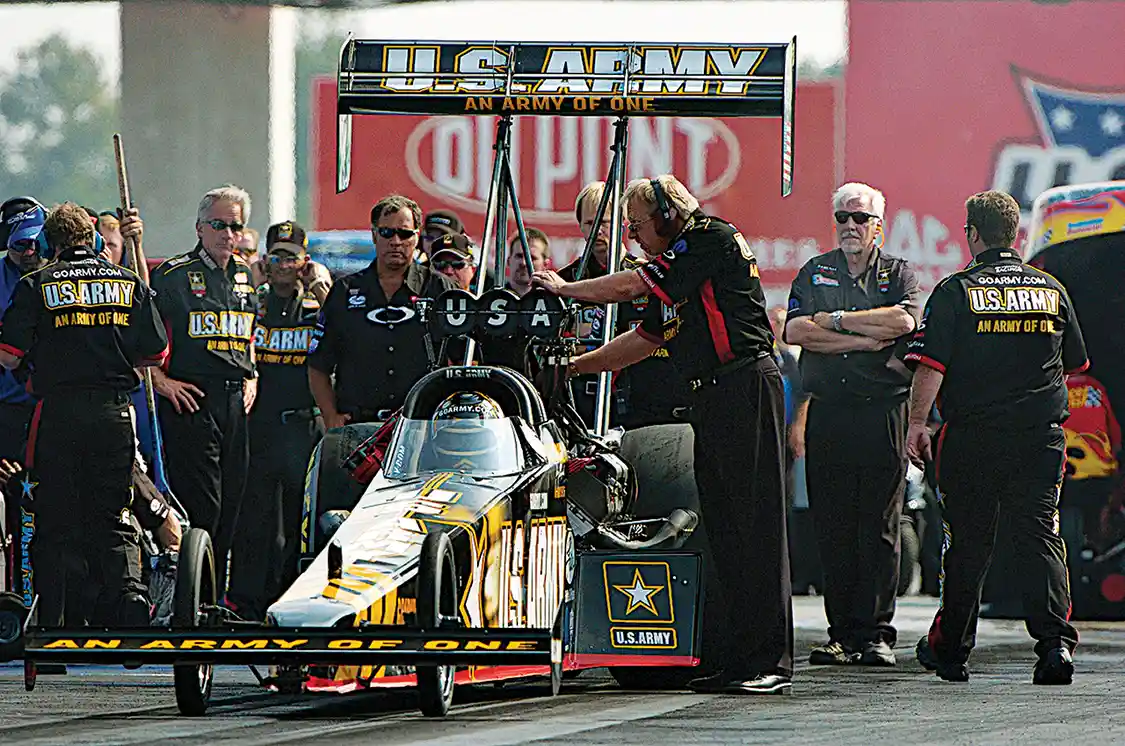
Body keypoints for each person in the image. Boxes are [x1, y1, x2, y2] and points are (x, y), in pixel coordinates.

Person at [532, 174, 793, 695]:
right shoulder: (674, 271)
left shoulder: (706, 240)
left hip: (744, 385)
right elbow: (646, 338)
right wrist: (575, 368)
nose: (630, 236)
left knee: (754, 525)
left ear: (669, 217)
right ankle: (733, 656)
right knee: (721, 528)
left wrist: (566, 290)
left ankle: (771, 661)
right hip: (711, 397)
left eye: (636, 225)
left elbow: (630, 287)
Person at [905, 190, 1087, 685]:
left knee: (967, 544)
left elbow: (930, 367)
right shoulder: (1051, 289)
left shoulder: (954, 290)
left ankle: (951, 652)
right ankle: (1054, 649)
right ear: (1017, 234)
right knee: (1041, 538)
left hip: (974, 439)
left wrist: (917, 424)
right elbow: (1075, 363)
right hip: (1039, 439)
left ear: (972, 233)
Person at [0, 202, 168, 627]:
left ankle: (52, 625)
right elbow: (157, 352)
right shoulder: (129, 283)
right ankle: (130, 600)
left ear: (47, 243)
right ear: (94, 240)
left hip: (56, 414)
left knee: (54, 520)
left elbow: (7, 356)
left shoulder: (35, 285)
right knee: (115, 514)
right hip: (114, 414)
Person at [784, 182, 921, 667]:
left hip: (883, 411)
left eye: (859, 218)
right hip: (830, 411)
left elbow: (903, 325)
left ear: (878, 225)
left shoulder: (899, 272)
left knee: (880, 526)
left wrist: (837, 321)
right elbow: (797, 331)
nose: (850, 226)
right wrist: (864, 339)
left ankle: (878, 634)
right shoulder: (815, 270)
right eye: (842, 217)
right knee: (833, 525)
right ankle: (842, 633)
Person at [149, 185, 259, 595]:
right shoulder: (173, 275)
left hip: (235, 400)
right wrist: (160, 381)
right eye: (218, 225)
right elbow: (143, 338)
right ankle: (192, 598)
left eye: (235, 226)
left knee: (232, 504)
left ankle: (215, 597)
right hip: (192, 397)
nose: (227, 234)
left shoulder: (246, 275)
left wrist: (254, 375)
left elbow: (249, 335)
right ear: (200, 227)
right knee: (204, 506)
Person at [226, 221, 326, 620]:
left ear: (304, 262)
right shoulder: (253, 301)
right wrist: (251, 279)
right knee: (255, 520)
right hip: (260, 425)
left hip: (303, 426)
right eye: (277, 255)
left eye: (292, 256)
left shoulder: (316, 305)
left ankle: (295, 598)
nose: (283, 264)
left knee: (300, 521)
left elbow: (340, 338)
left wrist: (321, 287)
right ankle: (248, 603)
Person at [309, 194, 454, 429]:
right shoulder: (345, 291)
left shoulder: (440, 289)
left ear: (416, 237)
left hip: (421, 427)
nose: (396, 241)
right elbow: (318, 366)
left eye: (404, 233)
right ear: (374, 235)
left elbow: (465, 359)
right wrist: (330, 416)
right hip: (358, 426)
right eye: (387, 233)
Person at [560, 181, 692, 429]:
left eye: (605, 222)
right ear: (580, 226)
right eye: (590, 223)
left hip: (639, 401)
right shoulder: (566, 281)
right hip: (578, 400)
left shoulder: (646, 275)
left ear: (623, 224)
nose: (598, 231)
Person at [0, 197, 47, 463]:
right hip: (9, 406)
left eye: (35, 242)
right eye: (20, 244)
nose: (30, 251)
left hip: (54, 406)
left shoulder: (60, 272)